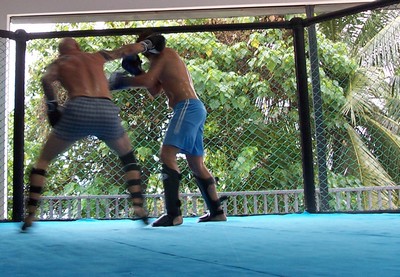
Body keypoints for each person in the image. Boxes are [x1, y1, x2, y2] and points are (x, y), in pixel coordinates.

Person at [21, 35, 166, 231]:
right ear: (78, 47)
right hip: (106, 108)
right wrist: (146, 45)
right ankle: (139, 206)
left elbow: (46, 79)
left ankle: (30, 215)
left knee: (43, 161)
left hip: (78, 107)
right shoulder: (96, 56)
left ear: (60, 51)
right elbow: (123, 50)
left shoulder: (60, 62)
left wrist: (52, 106)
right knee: (128, 157)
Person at [110, 30, 227, 227]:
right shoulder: (158, 61)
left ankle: (173, 214)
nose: (143, 55)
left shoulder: (166, 54)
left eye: (143, 49)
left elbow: (147, 82)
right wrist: (137, 71)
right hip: (194, 109)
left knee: (167, 154)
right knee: (196, 163)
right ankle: (216, 211)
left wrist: (121, 82)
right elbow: (154, 89)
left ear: (148, 43)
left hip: (187, 107)